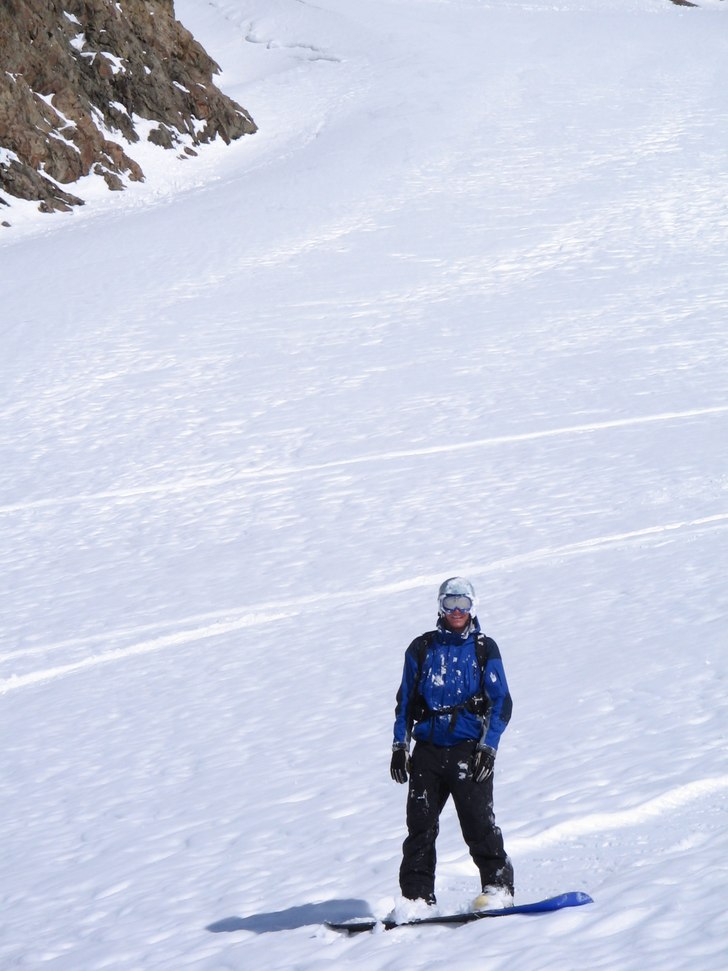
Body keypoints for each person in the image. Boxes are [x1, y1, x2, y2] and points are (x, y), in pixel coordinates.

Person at [390, 577, 514, 910]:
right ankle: (416, 898)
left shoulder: (483, 648)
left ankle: (498, 888)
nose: (457, 611)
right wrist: (400, 746)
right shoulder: (422, 647)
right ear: (440, 606)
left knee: (478, 823)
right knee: (420, 827)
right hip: (428, 749)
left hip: (467, 750)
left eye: (464, 604)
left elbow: (501, 702)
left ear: (473, 607)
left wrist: (488, 747)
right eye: (450, 603)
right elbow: (405, 702)